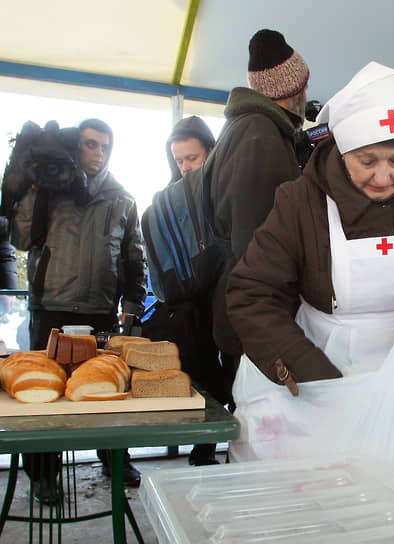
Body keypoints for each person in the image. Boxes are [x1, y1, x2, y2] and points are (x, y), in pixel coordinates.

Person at [225, 61, 394, 515]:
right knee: (333, 509)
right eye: (365, 161)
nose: (382, 177)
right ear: (343, 147)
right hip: (324, 373)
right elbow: (252, 292)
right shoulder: (301, 200)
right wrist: (319, 384)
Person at [9, 118, 147, 499]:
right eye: (89, 144)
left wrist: (132, 304)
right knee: (46, 394)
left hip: (100, 312)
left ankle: (115, 458)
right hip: (50, 308)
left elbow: (135, 259)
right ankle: (42, 474)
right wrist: (33, 185)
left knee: (107, 387)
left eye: (104, 146)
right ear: (76, 145)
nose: (97, 152)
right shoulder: (51, 189)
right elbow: (20, 239)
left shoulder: (123, 199)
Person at [206, 29, 309, 363]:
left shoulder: (248, 128)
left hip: (246, 314)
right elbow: (258, 244)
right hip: (256, 324)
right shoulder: (261, 137)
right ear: (292, 90)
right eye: (304, 85)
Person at [142, 115, 227, 466]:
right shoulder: (170, 201)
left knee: (224, 377)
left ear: (212, 152)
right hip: (190, 307)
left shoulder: (224, 192)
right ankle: (201, 448)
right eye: (179, 160)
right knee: (201, 374)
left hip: (221, 299)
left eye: (193, 158)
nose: (187, 167)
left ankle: (209, 446)